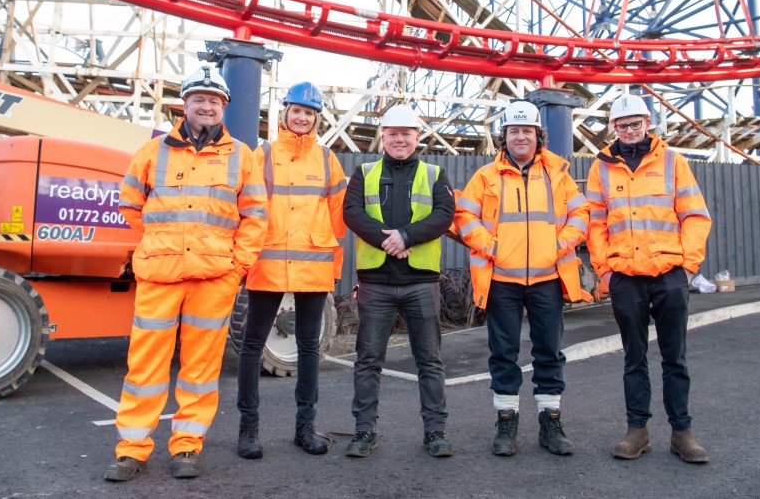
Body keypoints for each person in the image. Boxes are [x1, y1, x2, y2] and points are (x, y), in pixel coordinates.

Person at [104, 65, 268, 481]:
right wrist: (155, 245)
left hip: (214, 277)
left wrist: (237, 266)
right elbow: (129, 205)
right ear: (185, 105)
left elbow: (255, 217)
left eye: (214, 100)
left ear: (224, 107)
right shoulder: (152, 151)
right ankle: (132, 450)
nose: (207, 106)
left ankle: (187, 447)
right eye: (199, 99)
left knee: (200, 367)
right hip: (160, 274)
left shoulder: (242, 156)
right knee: (145, 367)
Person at [454, 100, 592, 457]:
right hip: (502, 278)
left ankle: (551, 423)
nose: (520, 137)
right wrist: (492, 247)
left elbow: (581, 212)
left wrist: (560, 243)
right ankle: (506, 422)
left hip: (548, 278)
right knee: (504, 353)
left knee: (549, 352)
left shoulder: (558, 175)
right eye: (513, 131)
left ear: (538, 136)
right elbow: (464, 216)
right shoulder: (485, 177)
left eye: (526, 131)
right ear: (504, 137)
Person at [585, 92, 712, 464]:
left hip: (669, 272)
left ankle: (682, 432)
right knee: (633, 357)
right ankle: (636, 431)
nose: (628, 130)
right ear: (613, 128)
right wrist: (604, 271)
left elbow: (695, 216)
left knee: (675, 357)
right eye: (621, 125)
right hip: (624, 275)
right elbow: (595, 223)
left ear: (649, 124)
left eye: (634, 124)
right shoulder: (601, 166)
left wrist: (688, 266)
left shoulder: (673, 161)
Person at [236, 82, 347, 459]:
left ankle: (306, 428)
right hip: (266, 265)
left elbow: (338, 217)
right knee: (252, 347)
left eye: (309, 113)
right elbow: (246, 208)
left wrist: (332, 263)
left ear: (317, 118)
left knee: (308, 348)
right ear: (284, 113)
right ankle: (248, 431)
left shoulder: (327, 158)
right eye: (296, 110)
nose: (301, 117)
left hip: (312, 267)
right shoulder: (261, 154)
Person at [342, 104, 455, 458]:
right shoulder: (364, 172)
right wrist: (388, 241)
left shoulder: (435, 173)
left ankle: (435, 432)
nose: (399, 139)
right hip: (376, 282)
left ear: (417, 138)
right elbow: (352, 212)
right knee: (368, 360)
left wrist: (405, 237)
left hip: (421, 282)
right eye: (392, 133)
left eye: (406, 133)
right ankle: (364, 432)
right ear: (383, 137)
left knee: (429, 360)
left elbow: (444, 214)